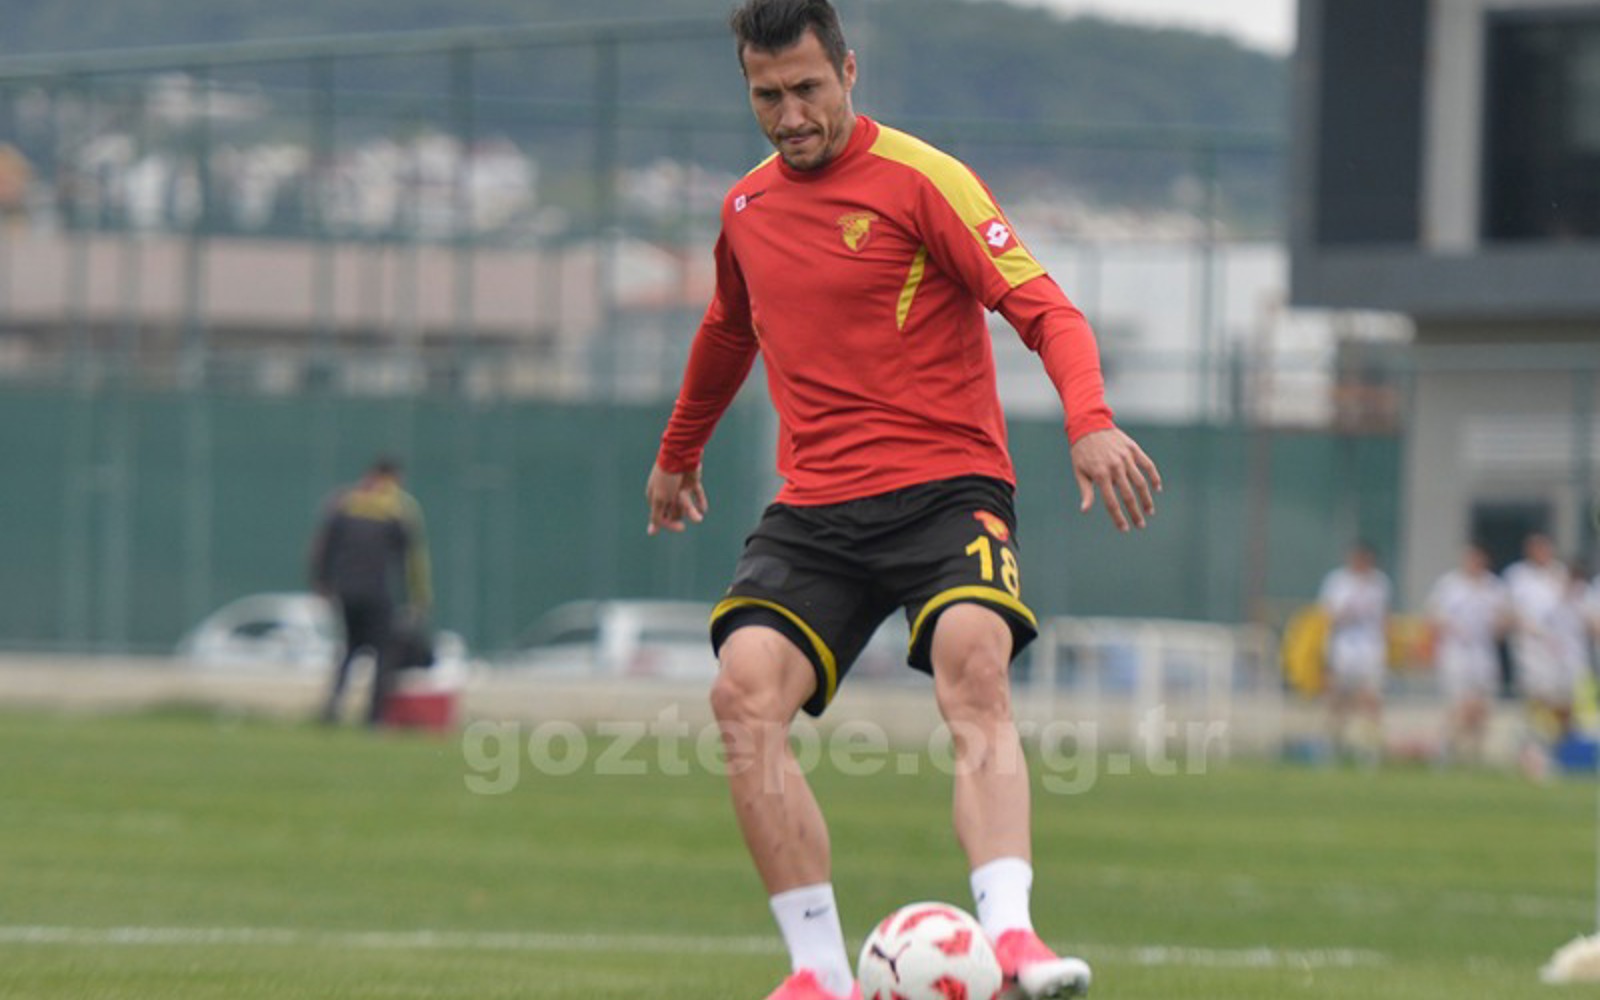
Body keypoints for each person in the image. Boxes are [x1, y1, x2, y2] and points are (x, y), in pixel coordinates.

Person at [644, 3, 1160, 997]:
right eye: (767, 96)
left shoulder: (925, 180)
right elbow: (726, 330)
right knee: (741, 692)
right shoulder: (745, 209)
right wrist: (677, 453)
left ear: (848, 71)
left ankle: (1012, 938)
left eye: (807, 89)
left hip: (946, 488)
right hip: (817, 507)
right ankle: (817, 973)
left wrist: (1089, 420)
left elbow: (1044, 308)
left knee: (974, 661)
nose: (791, 115)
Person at [308, 456, 433, 726]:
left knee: (350, 648)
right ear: (395, 478)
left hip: (346, 590)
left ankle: (332, 709)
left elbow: (323, 546)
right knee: (383, 653)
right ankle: (374, 716)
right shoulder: (399, 508)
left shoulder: (346, 501)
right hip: (378, 592)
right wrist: (419, 597)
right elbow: (413, 559)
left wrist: (321, 582)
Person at [1424, 541, 1510, 766]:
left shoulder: (1493, 587)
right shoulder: (1449, 585)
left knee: (1481, 706)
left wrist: (1497, 626)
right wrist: (1451, 629)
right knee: (1458, 705)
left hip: (1483, 653)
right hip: (1456, 653)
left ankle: (1474, 753)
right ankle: (1447, 749)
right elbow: (1433, 617)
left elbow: (1504, 621)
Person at [1316, 541, 1391, 763]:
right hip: (1344, 648)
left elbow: (1382, 617)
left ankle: (1370, 749)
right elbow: (1328, 614)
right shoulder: (1337, 581)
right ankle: (1333, 745)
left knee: (1371, 699)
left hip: (1370, 648)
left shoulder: (1379, 583)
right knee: (1338, 699)